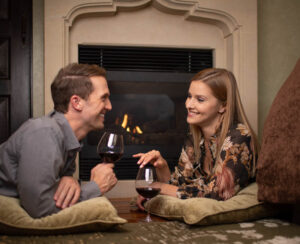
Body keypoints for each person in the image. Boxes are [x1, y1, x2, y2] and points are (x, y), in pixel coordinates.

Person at [0, 63, 117, 218]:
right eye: (104, 98)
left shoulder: (69, 137)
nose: (109, 106)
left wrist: (68, 178)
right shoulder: (44, 133)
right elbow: (39, 208)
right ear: (77, 102)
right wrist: (95, 187)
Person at [134, 68, 259, 210]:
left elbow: (217, 193)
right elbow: (180, 187)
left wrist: (158, 187)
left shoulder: (239, 137)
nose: (189, 105)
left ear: (223, 106)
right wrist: (162, 167)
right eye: (189, 96)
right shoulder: (195, 136)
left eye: (200, 99)